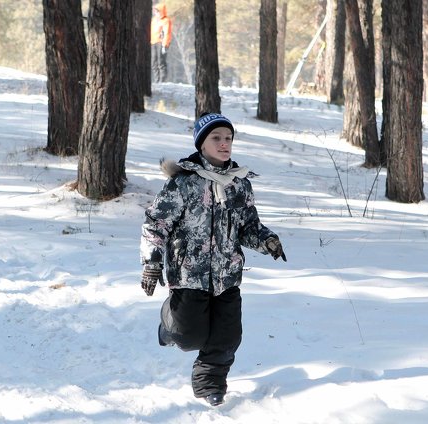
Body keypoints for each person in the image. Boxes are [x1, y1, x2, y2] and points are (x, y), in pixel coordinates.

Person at [140, 112, 287, 407]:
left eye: (228, 138)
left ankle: (210, 384)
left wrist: (267, 239)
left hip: (228, 275)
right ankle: (169, 326)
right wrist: (152, 263)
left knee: (228, 337)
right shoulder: (184, 184)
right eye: (216, 138)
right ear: (201, 143)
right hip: (189, 275)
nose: (224, 144)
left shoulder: (239, 184)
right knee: (188, 336)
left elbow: (248, 226)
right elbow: (156, 224)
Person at [150, 3, 173, 83]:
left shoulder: (166, 20)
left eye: (157, 11)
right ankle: (157, 80)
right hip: (153, 42)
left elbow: (167, 33)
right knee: (153, 62)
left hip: (161, 43)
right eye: (155, 11)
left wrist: (164, 45)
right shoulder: (154, 20)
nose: (156, 13)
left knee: (161, 62)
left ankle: (162, 80)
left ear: (161, 11)